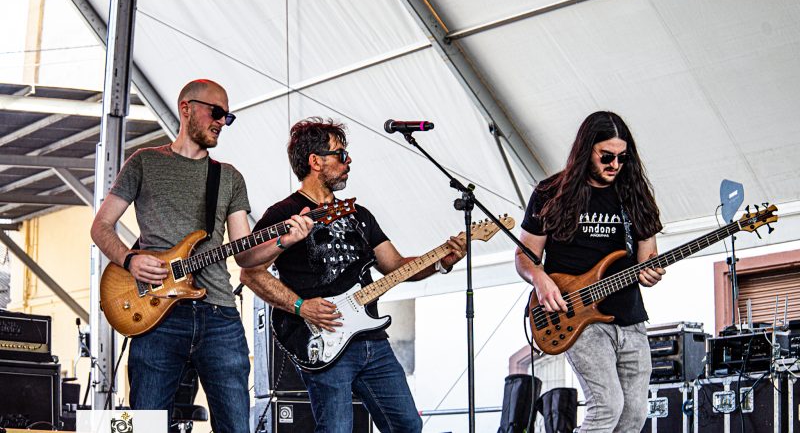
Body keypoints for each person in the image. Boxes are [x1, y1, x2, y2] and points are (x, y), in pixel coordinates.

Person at [90, 79, 313, 433]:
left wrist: (284, 241)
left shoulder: (229, 177)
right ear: (186, 108)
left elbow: (245, 255)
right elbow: (101, 226)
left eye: (228, 117)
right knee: (145, 425)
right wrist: (130, 260)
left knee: (235, 426)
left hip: (219, 316)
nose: (222, 122)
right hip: (156, 316)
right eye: (217, 112)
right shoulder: (145, 162)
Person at [240, 117, 466, 433]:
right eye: (341, 154)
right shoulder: (282, 214)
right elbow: (250, 273)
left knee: (407, 425)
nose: (348, 162)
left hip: (372, 339)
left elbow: (395, 265)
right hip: (324, 338)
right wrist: (301, 307)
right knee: (336, 429)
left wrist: (441, 261)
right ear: (315, 161)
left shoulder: (359, 214)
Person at [514, 111, 665, 432]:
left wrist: (651, 272)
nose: (615, 164)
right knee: (607, 406)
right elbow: (525, 257)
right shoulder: (550, 193)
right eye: (606, 156)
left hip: (630, 318)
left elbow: (647, 259)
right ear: (586, 150)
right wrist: (540, 280)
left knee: (635, 414)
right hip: (577, 316)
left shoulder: (636, 196)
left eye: (622, 157)